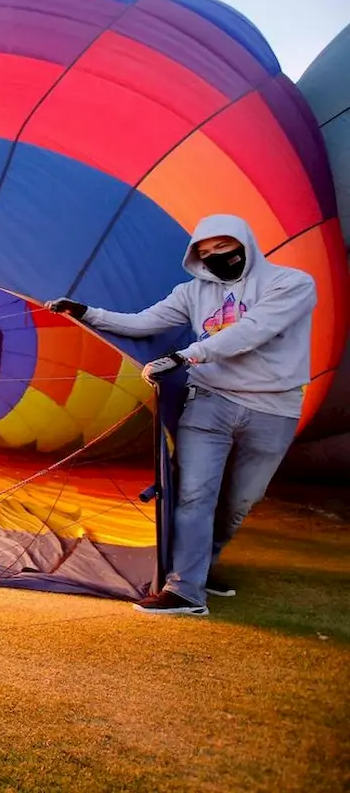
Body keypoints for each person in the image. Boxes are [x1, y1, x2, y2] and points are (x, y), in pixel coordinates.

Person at [47, 213, 316, 616]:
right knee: (193, 495)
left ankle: (202, 566)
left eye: (223, 248)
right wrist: (85, 312)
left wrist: (185, 355)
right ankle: (185, 589)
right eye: (205, 253)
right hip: (209, 400)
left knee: (240, 501)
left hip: (273, 407)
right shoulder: (192, 292)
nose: (215, 258)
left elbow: (255, 330)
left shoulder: (291, 283)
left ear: (245, 244)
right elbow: (143, 323)